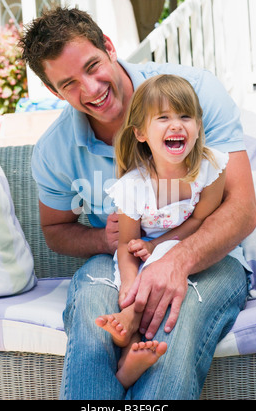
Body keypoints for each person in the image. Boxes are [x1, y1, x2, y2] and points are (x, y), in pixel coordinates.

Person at [19, 6, 256, 399]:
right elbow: (55, 231)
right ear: (53, 92)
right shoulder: (54, 150)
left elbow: (242, 209)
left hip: (213, 254)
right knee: (94, 325)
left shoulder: (192, 93)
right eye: (69, 84)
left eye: (93, 65)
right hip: (119, 259)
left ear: (109, 48)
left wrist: (174, 260)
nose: (91, 88)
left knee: (171, 324)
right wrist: (104, 241)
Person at [95, 74, 229, 389]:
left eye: (186, 116)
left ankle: (131, 330)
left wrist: (157, 245)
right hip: (138, 255)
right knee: (132, 284)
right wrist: (129, 286)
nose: (177, 125)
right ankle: (130, 349)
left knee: (166, 262)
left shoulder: (211, 169)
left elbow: (198, 222)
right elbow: (126, 243)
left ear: (198, 125)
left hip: (180, 248)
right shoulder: (133, 186)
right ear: (140, 133)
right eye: (163, 118)